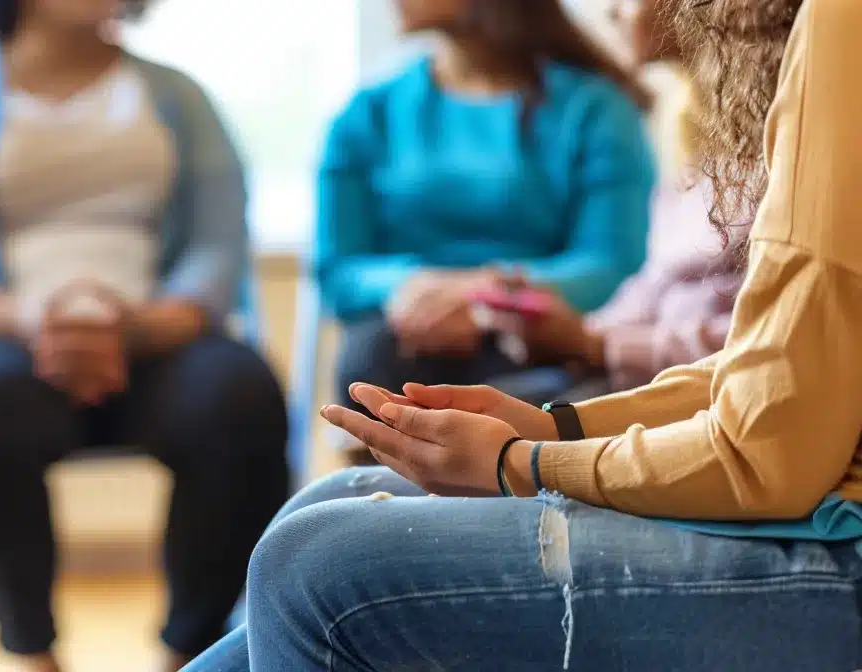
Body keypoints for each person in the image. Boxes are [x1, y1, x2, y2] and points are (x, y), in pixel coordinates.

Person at [187, 0, 862, 668]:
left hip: (838, 542)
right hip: (798, 478)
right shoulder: (374, 108)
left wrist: (519, 459)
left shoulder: (838, 28)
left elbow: (763, 449)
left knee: (316, 562)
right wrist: (552, 429)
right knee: (324, 509)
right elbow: (772, 372)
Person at [0, 1, 291, 669]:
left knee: (241, 397)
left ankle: (191, 650)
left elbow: (219, 244)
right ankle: (32, 650)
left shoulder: (177, 96)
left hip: (154, 335)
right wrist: (34, 318)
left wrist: (139, 325)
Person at [315, 0, 656, 436]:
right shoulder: (366, 114)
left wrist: (487, 296)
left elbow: (613, 263)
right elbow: (338, 270)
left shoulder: (594, 110)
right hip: (403, 338)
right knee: (371, 357)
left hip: (539, 339)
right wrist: (412, 289)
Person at [501, 0, 740, 397]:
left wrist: (594, 344)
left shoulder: (775, 148)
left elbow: (761, 343)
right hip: (639, 369)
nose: (613, 10)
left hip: (696, 389)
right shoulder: (693, 132)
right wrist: (574, 332)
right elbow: (653, 282)